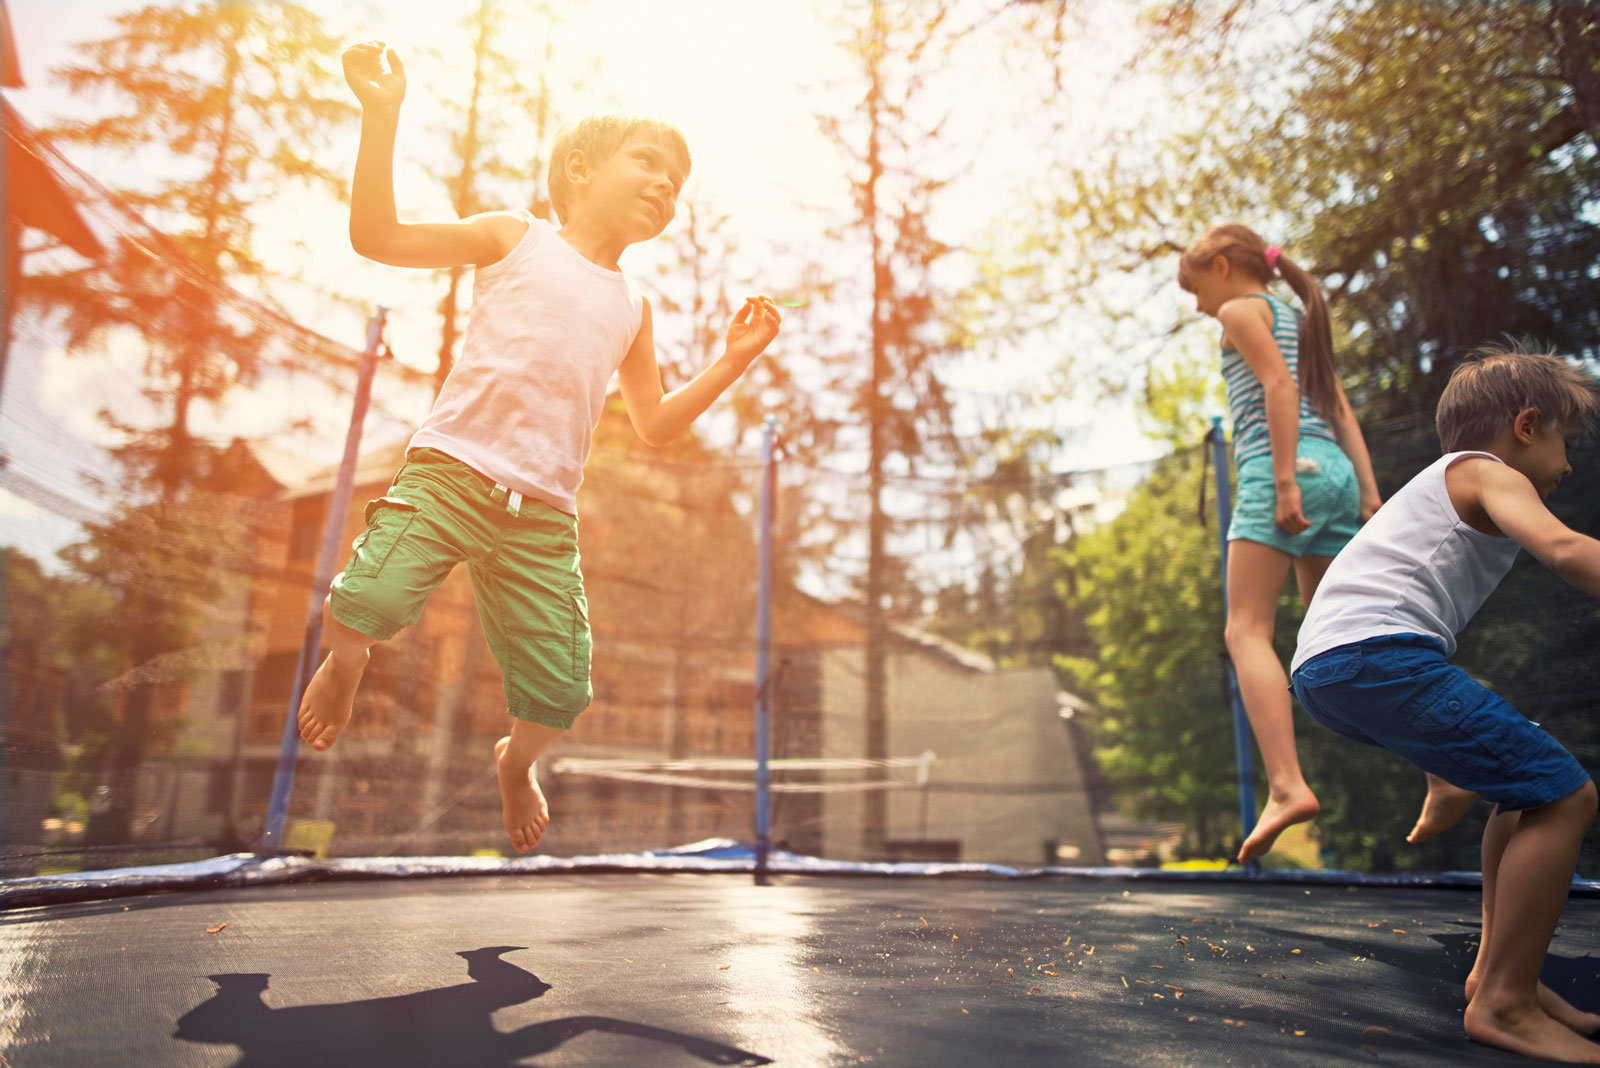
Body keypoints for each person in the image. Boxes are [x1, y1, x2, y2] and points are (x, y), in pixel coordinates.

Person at [297, 42, 783, 855]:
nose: (666, 187)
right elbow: (376, 235)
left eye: (678, 185)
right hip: (452, 473)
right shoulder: (513, 235)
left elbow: (656, 423)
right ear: (581, 168)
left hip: (543, 518)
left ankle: (514, 764)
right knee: (363, 606)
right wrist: (380, 118)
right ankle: (346, 666)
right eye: (649, 163)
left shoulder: (634, 305)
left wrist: (733, 362)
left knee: (561, 693)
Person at [1290, 341, 1600, 1063]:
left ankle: (1497, 975)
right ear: (1527, 425)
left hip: (1333, 665)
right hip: (1375, 656)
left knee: (1526, 792)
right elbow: (1562, 548)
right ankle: (1505, 1004)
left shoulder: (1448, 478)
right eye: (1566, 442)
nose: (1569, 464)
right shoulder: (1488, 473)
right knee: (1569, 796)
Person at [1178, 223, 1401, 862]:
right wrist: (1366, 490)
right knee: (1341, 635)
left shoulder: (1240, 308)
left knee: (1245, 630)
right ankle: (1440, 768)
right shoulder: (1296, 315)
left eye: (1196, 288)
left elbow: (1279, 386)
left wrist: (1281, 483)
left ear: (1221, 265)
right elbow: (1337, 407)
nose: (1198, 306)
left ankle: (1285, 785)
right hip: (1331, 466)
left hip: (1286, 470)